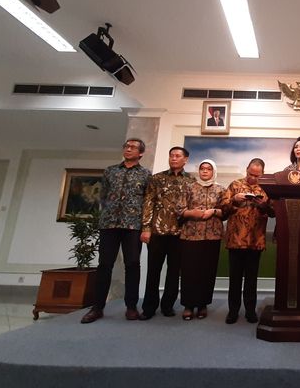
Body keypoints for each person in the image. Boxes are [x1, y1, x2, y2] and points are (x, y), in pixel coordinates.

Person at [81, 138, 151, 324]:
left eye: (132, 147)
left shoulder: (145, 174)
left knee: (133, 265)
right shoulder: (110, 171)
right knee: (104, 265)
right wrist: (106, 215)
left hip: (133, 226)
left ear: (140, 153)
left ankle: (131, 307)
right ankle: (97, 308)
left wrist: (145, 226)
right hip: (109, 225)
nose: (128, 149)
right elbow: (102, 197)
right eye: (126, 147)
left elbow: (148, 202)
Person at [139, 146, 195, 320]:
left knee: (173, 273)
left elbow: (192, 208)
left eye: (178, 156)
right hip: (157, 232)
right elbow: (148, 203)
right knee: (153, 271)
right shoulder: (157, 179)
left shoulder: (191, 181)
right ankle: (149, 307)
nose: (174, 159)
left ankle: (168, 305)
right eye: (171, 156)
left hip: (179, 234)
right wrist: (146, 228)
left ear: (185, 159)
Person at [220, 158, 274, 324]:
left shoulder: (266, 189)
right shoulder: (235, 185)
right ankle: (233, 311)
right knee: (234, 279)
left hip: (255, 240)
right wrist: (234, 199)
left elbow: (273, 212)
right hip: (235, 239)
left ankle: (250, 311)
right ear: (246, 169)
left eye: (257, 175)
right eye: (251, 174)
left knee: (251, 279)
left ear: (262, 174)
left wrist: (263, 205)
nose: (253, 178)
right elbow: (223, 209)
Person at [177, 159, 225, 320]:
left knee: (207, 271)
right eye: (202, 169)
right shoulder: (189, 187)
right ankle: (188, 305)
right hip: (191, 235)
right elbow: (179, 209)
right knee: (190, 271)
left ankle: (203, 304)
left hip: (212, 235)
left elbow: (226, 211)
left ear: (213, 172)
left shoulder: (220, 190)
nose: (205, 171)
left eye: (208, 169)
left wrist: (214, 211)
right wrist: (192, 213)